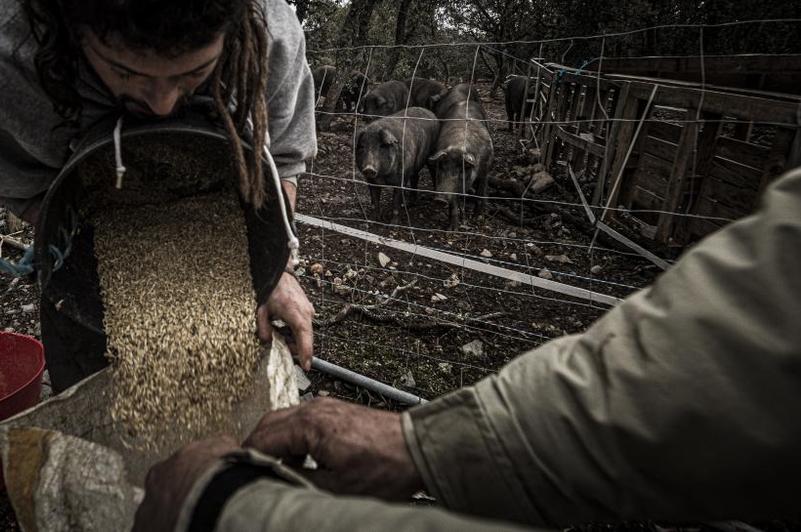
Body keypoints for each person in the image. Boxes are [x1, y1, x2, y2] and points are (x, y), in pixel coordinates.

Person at [134, 164, 801, 531]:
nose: (161, 100)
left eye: (188, 75)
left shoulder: (275, 42)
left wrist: (226, 507)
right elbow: (758, 332)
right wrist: (427, 444)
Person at [0, 0, 317, 390]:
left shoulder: (268, 35)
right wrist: (135, 254)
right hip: (98, 270)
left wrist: (264, 269)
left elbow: (285, 162)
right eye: (126, 72)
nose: (162, 105)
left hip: (227, 247)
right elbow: (29, 190)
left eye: (192, 73)